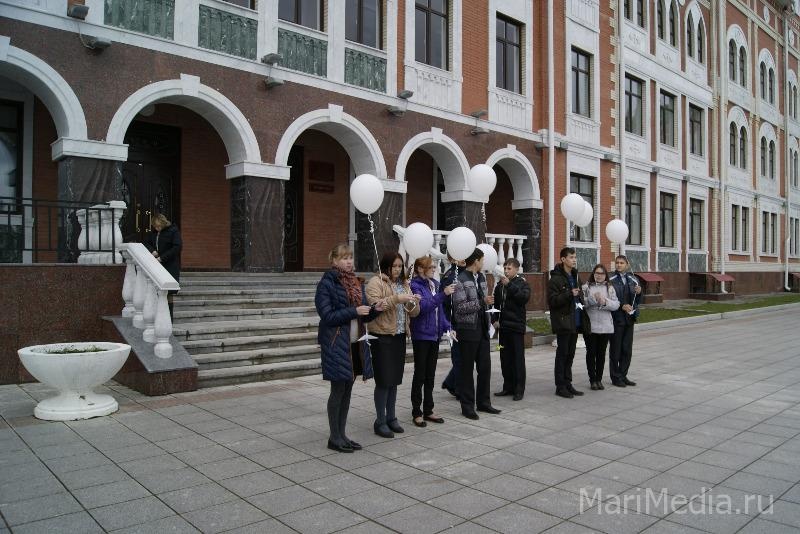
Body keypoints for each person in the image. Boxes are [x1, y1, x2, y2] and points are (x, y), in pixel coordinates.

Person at [315, 244, 384, 453]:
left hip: (355, 344)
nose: (349, 261)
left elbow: (363, 315)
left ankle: (342, 435)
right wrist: (354, 311)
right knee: (338, 390)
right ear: (334, 260)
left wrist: (375, 310)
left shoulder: (356, 282)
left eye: (350, 257)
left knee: (347, 390)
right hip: (336, 344)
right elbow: (327, 316)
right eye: (344, 258)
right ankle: (334, 437)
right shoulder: (326, 283)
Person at [366, 253, 420, 438]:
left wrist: (414, 302)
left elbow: (412, 313)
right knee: (383, 380)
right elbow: (376, 306)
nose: (397, 269)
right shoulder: (376, 282)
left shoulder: (404, 284)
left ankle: (391, 417)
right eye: (394, 266)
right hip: (381, 336)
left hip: (400, 335)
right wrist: (397, 298)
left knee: (395, 380)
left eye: (400, 266)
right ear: (386, 266)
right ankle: (380, 421)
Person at [452, 247, 501, 419]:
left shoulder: (481, 277)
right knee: (467, 370)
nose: (483, 263)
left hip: (482, 330)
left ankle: (484, 403)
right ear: (476, 261)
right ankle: (467, 406)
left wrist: (489, 311)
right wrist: (482, 302)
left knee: (485, 368)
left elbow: (484, 303)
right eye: (482, 260)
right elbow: (459, 308)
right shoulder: (460, 280)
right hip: (467, 330)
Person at [410, 256, 455, 427]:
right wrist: (443, 294)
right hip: (421, 336)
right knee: (420, 374)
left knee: (430, 374)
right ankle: (417, 412)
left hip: (434, 335)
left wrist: (448, 327)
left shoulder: (435, 284)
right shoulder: (415, 286)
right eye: (431, 267)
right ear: (420, 269)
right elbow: (424, 308)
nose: (434, 269)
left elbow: (439, 311)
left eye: (435, 267)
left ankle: (428, 409)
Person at [547, 247, 586, 399]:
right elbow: (552, 301)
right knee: (562, 355)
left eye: (575, 257)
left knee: (570, 354)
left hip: (575, 321)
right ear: (563, 259)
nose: (574, 260)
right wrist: (569, 293)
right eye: (571, 257)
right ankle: (560, 386)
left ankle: (568, 383)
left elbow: (579, 297)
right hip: (563, 322)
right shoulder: (555, 279)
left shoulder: (576, 276)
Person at [492, 258, 531, 401]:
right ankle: (507, 387)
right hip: (503, 328)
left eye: (509, 268)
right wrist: (494, 319)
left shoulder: (522, 283)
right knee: (505, 358)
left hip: (516, 328)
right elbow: (496, 305)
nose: (506, 271)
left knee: (517, 359)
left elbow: (523, 298)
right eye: (505, 268)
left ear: (516, 269)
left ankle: (519, 389)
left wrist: (510, 285)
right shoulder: (499, 286)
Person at [581, 264, 620, 391]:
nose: (599, 276)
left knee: (601, 354)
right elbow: (581, 304)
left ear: (605, 275)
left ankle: (599, 379)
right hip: (590, 326)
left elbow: (616, 305)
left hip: (605, 326)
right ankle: (592, 380)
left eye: (602, 273)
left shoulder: (610, 288)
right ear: (593, 274)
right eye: (597, 273)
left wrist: (605, 302)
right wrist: (593, 299)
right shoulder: (586, 287)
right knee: (591, 353)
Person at [608, 255, 641, 387]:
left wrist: (639, 293)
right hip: (616, 319)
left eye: (622, 263)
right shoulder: (610, 279)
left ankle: (623, 375)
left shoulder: (633, 279)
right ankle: (615, 377)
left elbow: (637, 301)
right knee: (615, 350)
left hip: (629, 319)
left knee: (627, 350)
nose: (619, 265)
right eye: (617, 262)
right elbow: (609, 298)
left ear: (627, 265)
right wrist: (621, 305)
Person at [145, 213, 182, 319]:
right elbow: (146, 243)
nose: (157, 228)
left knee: (169, 292)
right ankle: (160, 318)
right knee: (157, 292)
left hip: (170, 266)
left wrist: (162, 258)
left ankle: (169, 319)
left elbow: (177, 247)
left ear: (163, 222)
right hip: (158, 267)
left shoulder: (173, 231)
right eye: (155, 226)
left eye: (159, 226)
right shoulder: (154, 233)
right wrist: (152, 251)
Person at [440, 255, 465, 399]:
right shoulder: (450, 276)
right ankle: (458, 389)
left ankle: (451, 383)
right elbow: (444, 301)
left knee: (464, 357)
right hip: (454, 322)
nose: (464, 258)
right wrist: (448, 324)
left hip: (465, 321)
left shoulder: (466, 272)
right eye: (460, 256)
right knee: (459, 357)